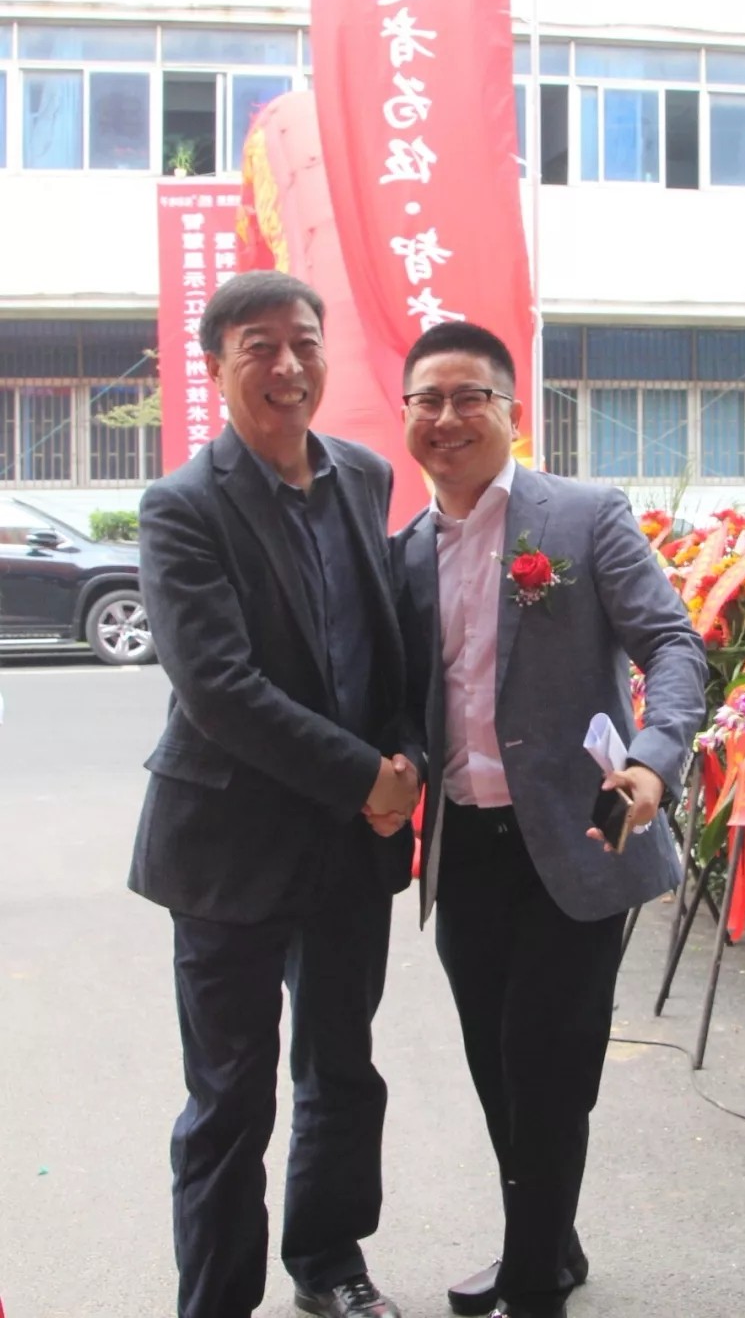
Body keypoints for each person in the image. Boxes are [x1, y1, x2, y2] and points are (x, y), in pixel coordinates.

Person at [393, 322, 707, 1318]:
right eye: (428, 399)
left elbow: (673, 644)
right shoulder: (404, 552)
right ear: (407, 416)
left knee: (549, 1064)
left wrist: (653, 759)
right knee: (498, 1066)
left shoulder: (581, 515)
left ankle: (532, 1285)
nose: (448, 417)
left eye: (470, 396)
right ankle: (549, 1241)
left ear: (512, 410)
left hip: (581, 837)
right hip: (465, 847)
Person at [129, 271, 420, 1318]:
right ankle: (215, 1301)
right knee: (230, 1097)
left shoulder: (365, 476)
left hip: (351, 845)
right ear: (217, 367)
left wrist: (407, 757)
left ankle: (329, 1263)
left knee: (343, 1068)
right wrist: (366, 776)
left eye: (304, 342)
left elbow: (391, 644)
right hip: (228, 845)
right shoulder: (183, 506)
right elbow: (220, 688)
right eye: (260, 346)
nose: (287, 366)